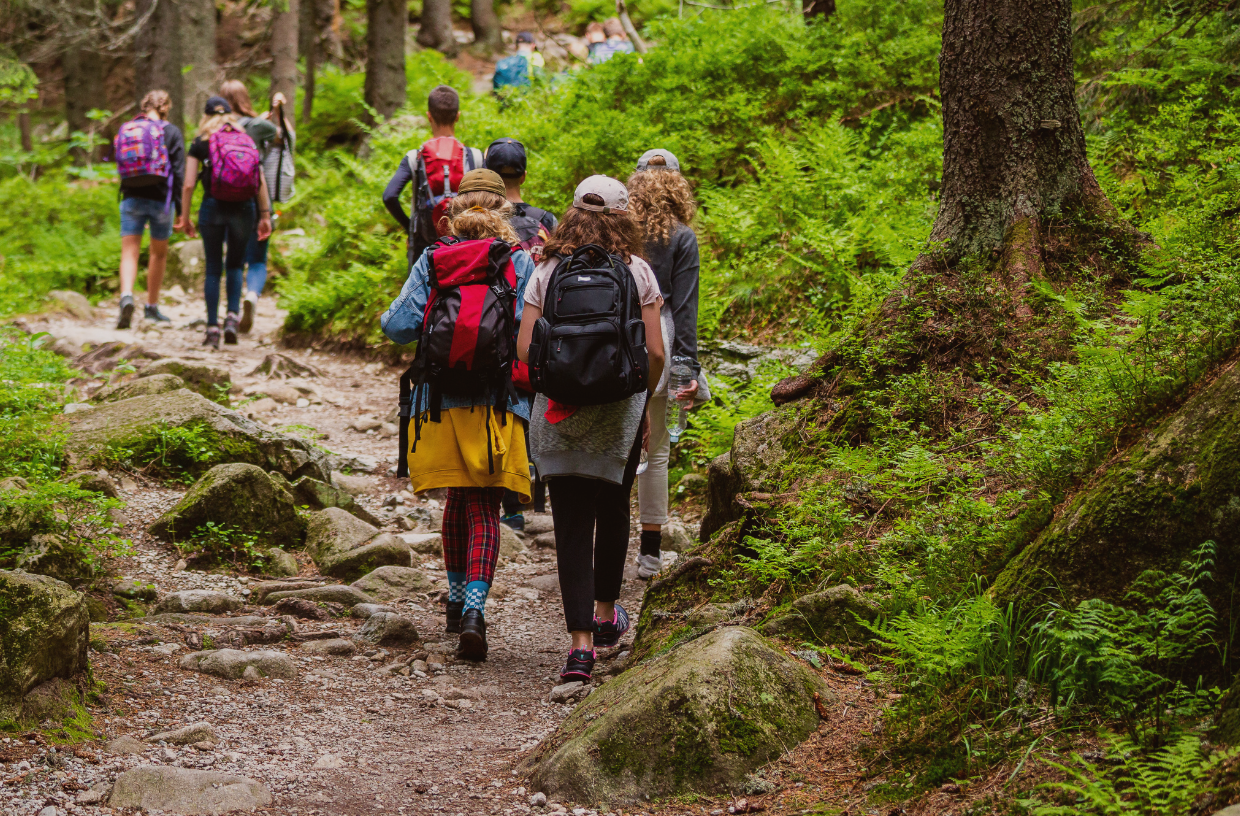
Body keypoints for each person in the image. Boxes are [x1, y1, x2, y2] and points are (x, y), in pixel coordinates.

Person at [380, 169, 535, 662]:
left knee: (456, 499)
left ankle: (452, 599)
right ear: (502, 210)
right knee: (485, 504)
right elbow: (533, 332)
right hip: (498, 400)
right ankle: (473, 610)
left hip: (440, 398)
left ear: (456, 210)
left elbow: (399, 326)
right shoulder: (517, 260)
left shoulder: (434, 258)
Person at [517, 175, 665, 682]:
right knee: (612, 505)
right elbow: (656, 352)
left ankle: (579, 649)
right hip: (619, 409)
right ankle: (606, 616)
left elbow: (524, 349)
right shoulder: (638, 270)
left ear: (572, 212)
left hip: (557, 409)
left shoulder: (547, 268)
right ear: (623, 216)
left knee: (571, 522)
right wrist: (640, 400)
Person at [628, 149, 710, 579]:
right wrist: (686, 369)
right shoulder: (682, 237)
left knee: (614, 447)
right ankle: (650, 554)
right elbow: (685, 308)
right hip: (659, 340)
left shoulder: (617, 231)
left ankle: (602, 543)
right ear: (678, 185)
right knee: (655, 452)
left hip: (614, 344)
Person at [483, 137, 557, 532]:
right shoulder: (546, 221)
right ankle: (540, 501)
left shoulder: (483, 221)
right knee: (538, 412)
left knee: (506, 417)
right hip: (540, 332)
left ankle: (510, 508)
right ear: (524, 174)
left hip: (496, 332)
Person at [176, 96, 274, 348]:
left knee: (212, 267)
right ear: (230, 114)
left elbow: (188, 184)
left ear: (206, 116)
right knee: (235, 265)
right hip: (244, 208)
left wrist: (184, 217)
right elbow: (260, 180)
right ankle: (231, 319)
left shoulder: (200, 142)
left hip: (213, 208)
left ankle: (211, 328)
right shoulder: (246, 139)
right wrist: (264, 216)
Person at [382, 85, 484, 269]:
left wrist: (410, 228)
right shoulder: (475, 157)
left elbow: (389, 196)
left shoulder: (415, 158)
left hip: (424, 249)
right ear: (458, 116)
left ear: (429, 116)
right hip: (466, 248)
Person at [115, 90, 184, 329]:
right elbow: (178, 171)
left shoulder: (130, 128)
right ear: (165, 106)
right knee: (158, 253)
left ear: (145, 107)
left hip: (131, 197)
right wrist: (182, 210)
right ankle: (152, 307)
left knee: (129, 252)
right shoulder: (171, 131)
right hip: (161, 200)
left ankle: (126, 296)